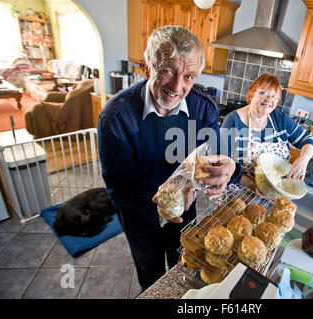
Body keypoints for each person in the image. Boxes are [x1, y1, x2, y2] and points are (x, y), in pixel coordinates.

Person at [97, 26, 236, 291]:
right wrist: (161, 200)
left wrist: (230, 168)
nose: (177, 86)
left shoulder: (203, 109)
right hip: (140, 218)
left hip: (186, 212)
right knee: (151, 278)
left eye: (189, 76)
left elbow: (217, 157)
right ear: (148, 67)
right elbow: (119, 188)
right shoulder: (116, 118)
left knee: (184, 270)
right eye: (168, 71)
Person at [220, 73, 313, 191]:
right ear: (252, 94)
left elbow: (308, 140)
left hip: (275, 191)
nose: (269, 100)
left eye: (275, 97)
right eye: (263, 93)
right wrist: (254, 185)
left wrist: (303, 159)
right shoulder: (233, 121)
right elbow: (223, 165)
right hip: (239, 192)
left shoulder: (281, 120)